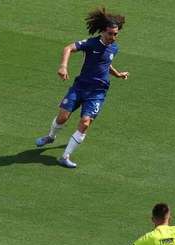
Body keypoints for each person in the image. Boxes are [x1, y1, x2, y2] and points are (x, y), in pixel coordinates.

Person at [35, 7, 129, 168]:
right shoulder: (91, 43)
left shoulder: (114, 48)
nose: (113, 37)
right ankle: (50, 136)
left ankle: (65, 156)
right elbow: (68, 48)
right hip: (79, 87)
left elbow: (105, 64)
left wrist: (117, 74)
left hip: (98, 92)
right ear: (103, 32)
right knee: (63, 117)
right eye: (110, 33)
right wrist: (63, 66)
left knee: (85, 123)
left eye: (116, 34)